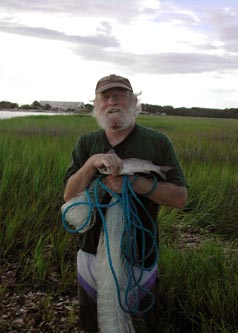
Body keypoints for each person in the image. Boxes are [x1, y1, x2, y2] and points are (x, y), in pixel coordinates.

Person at [63, 74, 188, 333]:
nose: (112, 102)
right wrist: (90, 164)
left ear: (133, 101)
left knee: (141, 323)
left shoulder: (157, 142)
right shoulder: (86, 143)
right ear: (96, 104)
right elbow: (69, 196)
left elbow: (180, 198)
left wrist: (136, 184)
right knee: (92, 322)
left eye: (119, 95)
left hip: (139, 255)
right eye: (105, 97)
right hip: (90, 254)